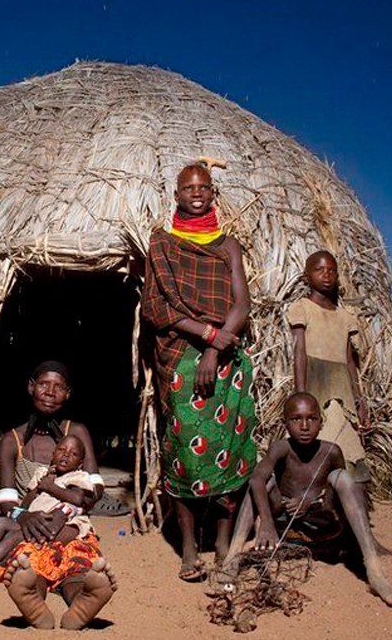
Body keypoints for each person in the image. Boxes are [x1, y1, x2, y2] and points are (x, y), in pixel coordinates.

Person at [142, 162, 257, 582]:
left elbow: (241, 304)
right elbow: (157, 308)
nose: (196, 193)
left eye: (203, 187)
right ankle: (189, 548)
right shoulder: (162, 243)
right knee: (186, 454)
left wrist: (217, 343)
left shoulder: (229, 246)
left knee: (228, 447)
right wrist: (207, 334)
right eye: (188, 187)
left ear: (212, 194)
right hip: (179, 356)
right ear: (176, 195)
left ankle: (223, 544)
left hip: (226, 360)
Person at [248, 392, 392, 606]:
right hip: (283, 530)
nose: (304, 426)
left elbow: (335, 495)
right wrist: (266, 523)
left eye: (312, 419)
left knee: (341, 477)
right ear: (285, 423)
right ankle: (231, 557)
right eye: (297, 419)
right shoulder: (279, 449)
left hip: (320, 527)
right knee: (262, 480)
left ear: (321, 423)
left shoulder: (332, 451)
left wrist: (310, 499)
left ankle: (374, 570)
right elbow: (257, 480)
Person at [0, 361, 117, 629]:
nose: (50, 392)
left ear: (68, 394)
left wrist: (67, 508)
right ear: (30, 387)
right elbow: (5, 499)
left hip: (70, 526)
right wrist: (24, 517)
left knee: (78, 565)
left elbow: (95, 488)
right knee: (31, 566)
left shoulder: (77, 433)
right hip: (31, 526)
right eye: (44, 385)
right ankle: (33, 600)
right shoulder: (11, 440)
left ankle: (82, 603)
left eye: (59, 387)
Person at [0, 434, 96, 588]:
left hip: (58, 526)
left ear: (80, 464)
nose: (66, 455)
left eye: (73, 454)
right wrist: (40, 486)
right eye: (62, 450)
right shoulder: (42, 473)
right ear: (53, 454)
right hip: (35, 523)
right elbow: (26, 504)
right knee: (1, 522)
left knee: (14, 537)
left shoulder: (77, 477)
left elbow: (76, 498)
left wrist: (50, 487)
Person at [287, 250, 370, 482]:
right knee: (318, 441)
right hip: (315, 384)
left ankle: (343, 500)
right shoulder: (302, 308)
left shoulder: (345, 317)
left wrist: (359, 399)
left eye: (332, 271)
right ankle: (315, 500)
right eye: (319, 270)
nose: (326, 275)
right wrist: (301, 394)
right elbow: (299, 354)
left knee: (347, 445)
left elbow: (350, 362)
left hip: (341, 389)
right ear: (306, 276)